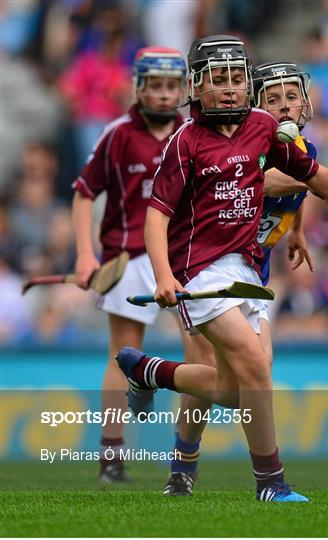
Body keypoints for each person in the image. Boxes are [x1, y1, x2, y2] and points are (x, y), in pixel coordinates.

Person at [116, 35, 328, 502]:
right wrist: (162, 275)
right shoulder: (187, 143)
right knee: (246, 367)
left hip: (248, 266)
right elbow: (159, 215)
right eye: (221, 80)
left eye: (239, 78)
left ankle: (150, 372)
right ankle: (261, 480)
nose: (232, 88)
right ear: (198, 87)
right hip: (197, 267)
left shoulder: (260, 128)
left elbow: (309, 177)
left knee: (240, 387)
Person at [71, 46, 190, 482]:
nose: (163, 95)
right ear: (138, 87)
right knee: (120, 353)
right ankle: (111, 457)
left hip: (184, 258)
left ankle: (184, 458)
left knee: (201, 352)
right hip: (127, 257)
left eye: (171, 86)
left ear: (183, 89)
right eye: (154, 86)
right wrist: (85, 254)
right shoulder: (117, 133)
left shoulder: (192, 132)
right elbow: (84, 193)